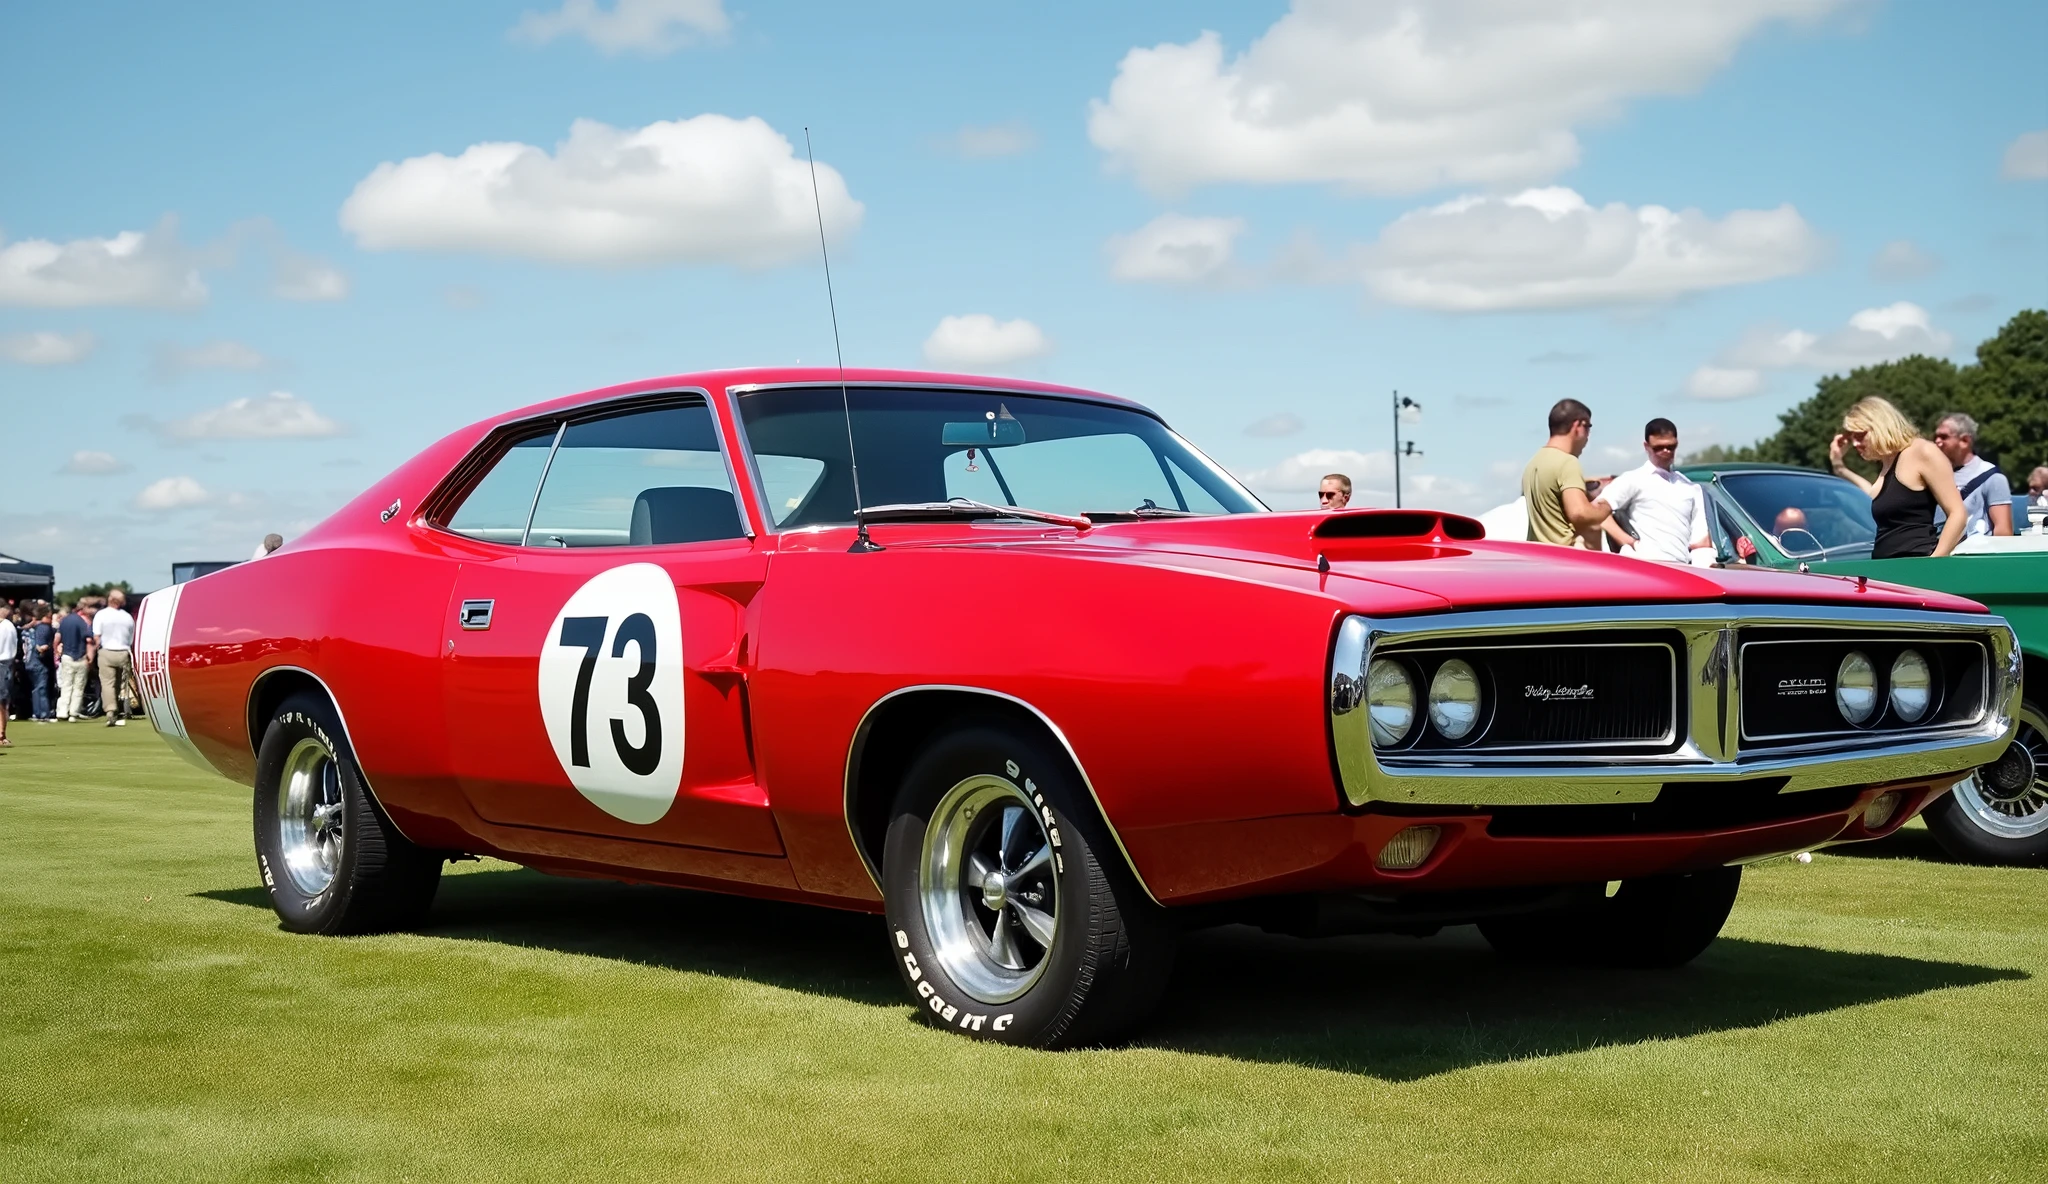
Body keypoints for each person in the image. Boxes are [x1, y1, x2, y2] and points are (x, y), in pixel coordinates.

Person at [1830, 397, 1966, 558]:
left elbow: (1958, 514)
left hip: (1915, 565)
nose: (1855, 444)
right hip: (1885, 568)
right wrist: (1839, 467)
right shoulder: (1887, 464)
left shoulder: (1923, 451)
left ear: (1880, 427)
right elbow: (1871, 496)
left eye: (1860, 435)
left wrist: (1934, 561)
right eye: (1852, 437)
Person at [1594, 418, 1713, 564]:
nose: (1665, 451)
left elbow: (1700, 541)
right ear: (1646, 446)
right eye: (1658, 447)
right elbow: (1596, 512)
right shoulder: (1634, 480)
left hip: (1682, 569)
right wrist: (1629, 542)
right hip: (1647, 569)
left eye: (1671, 447)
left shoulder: (1690, 487)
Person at [1522, 398, 1610, 547]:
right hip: (1564, 557)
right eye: (1588, 427)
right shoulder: (1568, 463)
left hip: (1538, 555)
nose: (1588, 436)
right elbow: (1579, 513)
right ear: (1578, 426)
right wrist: (1607, 506)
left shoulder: (1533, 463)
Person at [1930, 412, 2013, 537]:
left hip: (1976, 553)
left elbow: (2003, 532)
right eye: (1936, 437)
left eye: (1944, 437)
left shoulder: (1992, 477)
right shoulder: (1932, 476)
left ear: (1965, 441)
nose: (1937, 441)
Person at [93, 588, 137, 727]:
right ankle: (119, 709)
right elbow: (131, 637)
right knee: (119, 683)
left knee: (107, 683)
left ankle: (110, 710)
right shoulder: (127, 617)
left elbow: (97, 636)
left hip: (107, 650)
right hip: (123, 651)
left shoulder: (101, 615)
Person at [55, 599, 94, 721]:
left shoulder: (64, 621)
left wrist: (56, 649)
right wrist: (90, 657)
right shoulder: (82, 622)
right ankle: (73, 712)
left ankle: (62, 712)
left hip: (67, 655)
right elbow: (88, 639)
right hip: (80, 656)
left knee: (66, 684)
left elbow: (57, 638)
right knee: (78, 686)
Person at [26, 604, 55, 722]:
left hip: (29, 661)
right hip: (39, 663)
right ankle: (44, 714)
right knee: (42, 688)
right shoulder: (44, 628)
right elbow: (41, 647)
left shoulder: (32, 628)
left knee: (36, 689)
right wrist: (49, 646)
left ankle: (37, 713)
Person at [0, 606, 14, 746]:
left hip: (2, 664)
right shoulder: (8, 625)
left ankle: (1, 735)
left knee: (2, 701)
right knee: (2, 701)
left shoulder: (5, 626)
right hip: (6, 664)